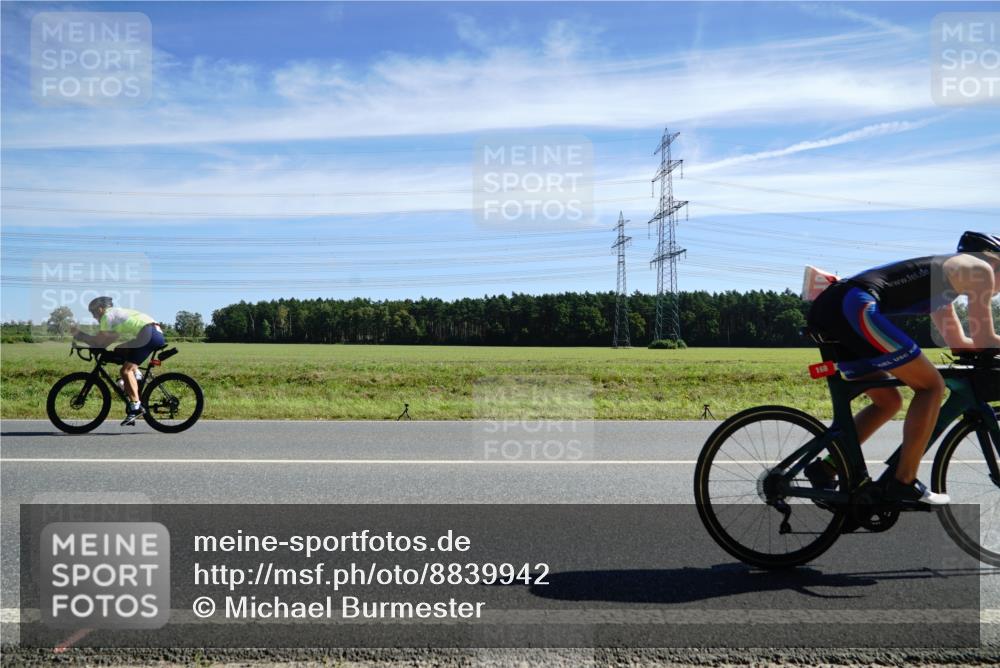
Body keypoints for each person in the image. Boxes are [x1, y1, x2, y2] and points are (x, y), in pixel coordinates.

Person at [805, 231, 1000, 505]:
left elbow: (959, 343)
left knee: (888, 402)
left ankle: (826, 467)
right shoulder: (980, 267)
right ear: (995, 260)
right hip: (855, 306)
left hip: (837, 308)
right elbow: (984, 339)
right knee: (932, 387)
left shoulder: (945, 280)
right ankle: (903, 481)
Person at [70, 297, 166, 425]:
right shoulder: (115, 314)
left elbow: (100, 342)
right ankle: (136, 377)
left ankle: (136, 406)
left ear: (100, 309)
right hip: (153, 332)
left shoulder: (107, 316)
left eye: (93, 312)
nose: (93, 317)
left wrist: (80, 335)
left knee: (125, 371)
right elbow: (109, 340)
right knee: (120, 349)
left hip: (148, 334)